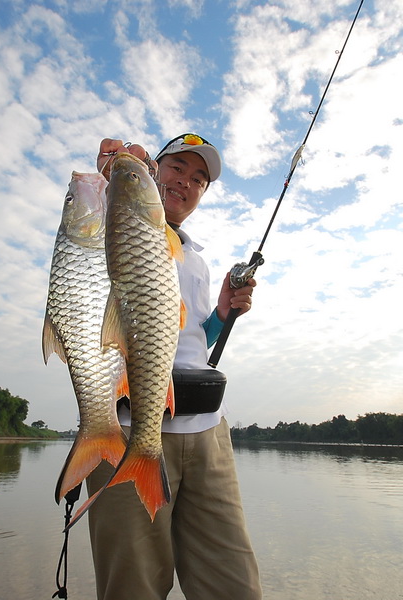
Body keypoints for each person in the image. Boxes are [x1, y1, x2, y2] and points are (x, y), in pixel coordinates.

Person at [86, 133, 262, 600]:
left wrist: (223, 313)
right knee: (133, 587)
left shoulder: (197, 259)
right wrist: (112, 175)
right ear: (155, 171)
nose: (186, 182)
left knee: (236, 585)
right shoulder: (113, 225)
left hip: (207, 435)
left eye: (198, 179)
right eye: (177, 169)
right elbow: (84, 238)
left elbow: (188, 344)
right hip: (128, 429)